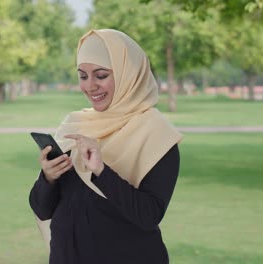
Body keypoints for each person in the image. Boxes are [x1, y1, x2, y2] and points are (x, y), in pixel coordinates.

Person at [29, 29, 183, 264]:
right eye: (82, 76)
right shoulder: (76, 125)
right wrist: (48, 178)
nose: (90, 86)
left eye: (100, 75)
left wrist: (101, 171)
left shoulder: (156, 133)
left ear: (127, 75)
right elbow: (42, 209)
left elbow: (148, 215)